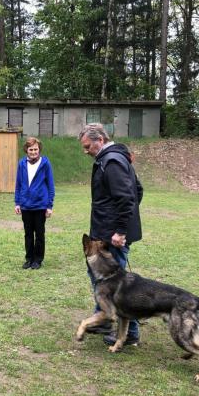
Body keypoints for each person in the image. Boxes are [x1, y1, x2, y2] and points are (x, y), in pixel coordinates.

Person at [78, 123, 144, 347]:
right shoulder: (110, 159)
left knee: (117, 285)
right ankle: (104, 319)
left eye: (88, 146)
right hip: (106, 231)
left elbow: (127, 197)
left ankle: (131, 332)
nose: (85, 150)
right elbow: (138, 190)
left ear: (100, 140)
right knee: (102, 278)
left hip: (112, 235)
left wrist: (120, 230)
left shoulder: (112, 161)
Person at [14, 137, 55, 270]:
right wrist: (17, 202)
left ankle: (38, 260)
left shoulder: (45, 163)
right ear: (26, 150)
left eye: (36, 149)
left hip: (40, 205)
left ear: (39, 150)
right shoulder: (21, 164)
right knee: (28, 234)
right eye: (31, 149)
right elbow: (18, 184)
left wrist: (49, 206)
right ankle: (29, 259)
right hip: (25, 205)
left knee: (39, 234)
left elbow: (50, 185)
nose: (33, 152)